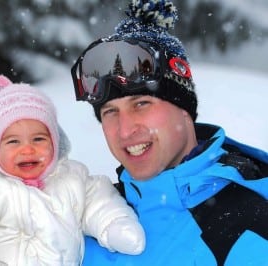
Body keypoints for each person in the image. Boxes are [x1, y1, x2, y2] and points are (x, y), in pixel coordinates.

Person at [71, 0, 268, 265]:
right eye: (110, 112)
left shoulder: (249, 226)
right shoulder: (88, 216)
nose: (125, 130)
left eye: (141, 104)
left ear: (183, 109)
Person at [0, 73, 145, 265]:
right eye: (13, 142)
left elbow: (99, 199)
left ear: (54, 142)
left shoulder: (71, 177)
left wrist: (116, 224)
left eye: (38, 139)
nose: (28, 149)